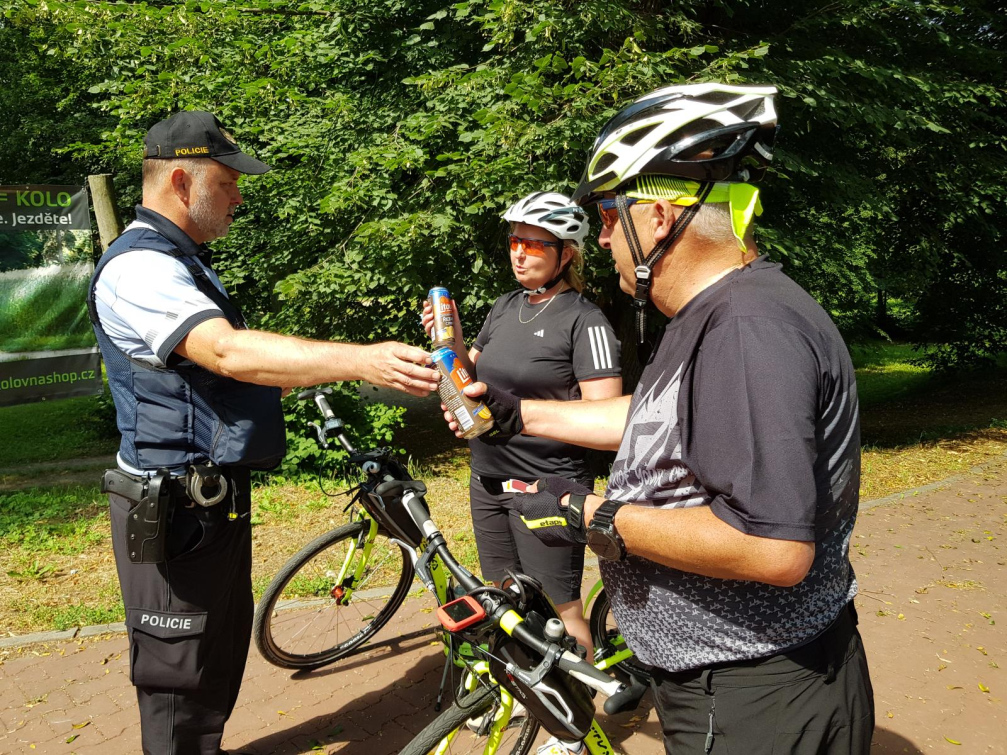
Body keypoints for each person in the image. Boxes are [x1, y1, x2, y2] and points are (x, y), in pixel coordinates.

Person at [448, 84, 875, 754]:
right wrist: (515, 413)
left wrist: (588, 514)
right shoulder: (711, 313)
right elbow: (653, 419)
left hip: (750, 694)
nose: (602, 235)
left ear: (657, 215)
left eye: (608, 215)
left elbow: (771, 547)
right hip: (731, 683)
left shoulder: (746, 328)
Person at [88, 110, 440, 755]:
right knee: (177, 670)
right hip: (170, 508)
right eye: (226, 183)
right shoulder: (139, 268)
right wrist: (362, 359)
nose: (238, 197)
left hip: (208, 501)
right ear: (177, 180)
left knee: (215, 651)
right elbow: (226, 354)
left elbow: (223, 377)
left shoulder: (182, 262)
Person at [423, 191, 622, 661]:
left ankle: (578, 730)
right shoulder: (505, 306)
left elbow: (606, 420)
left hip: (546, 486)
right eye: (515, 241)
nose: (518, 252)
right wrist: (446, 335)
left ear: (565, 254)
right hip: (486, 480)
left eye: (534, 245)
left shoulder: (585, 321)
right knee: (507, 599)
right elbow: (468, 381)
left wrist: (525, 414)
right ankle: (532, 700)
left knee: (560, 612)